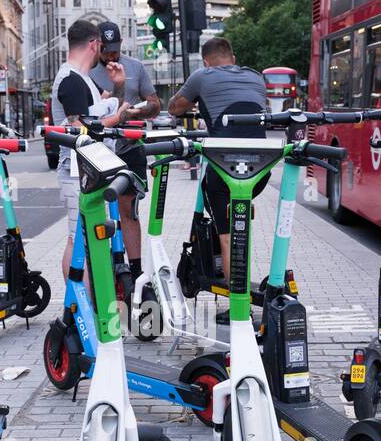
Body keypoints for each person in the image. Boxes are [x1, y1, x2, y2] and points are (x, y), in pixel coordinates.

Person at [167, 37, 268, 319]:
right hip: (260, 169)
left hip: (226, 170)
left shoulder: (202, 76)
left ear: (206, 61)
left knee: (228, 235)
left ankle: (239, 308)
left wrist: (196, 98)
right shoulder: (255, 76)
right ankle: (235, 277)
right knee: (238, 221)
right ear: (233, 58)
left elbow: (175, 107)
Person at [90, 20, 160, 282]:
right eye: (106, 50)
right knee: (96, 207)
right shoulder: (87, 72)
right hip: (99, 148)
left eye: (115, 49)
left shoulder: (135, 67)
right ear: (97, 46)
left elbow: (154, 103)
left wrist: (137, 111)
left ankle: (136, 267)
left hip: (130, 146)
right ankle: (103, 266)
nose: (111, 55)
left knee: (128, 208)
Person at [52, 18, 121, 277]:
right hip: (74, 169)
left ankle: (86, 304)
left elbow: (105, 105)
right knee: (76, 237)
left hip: (87, 167)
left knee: (85, 235)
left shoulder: (83, 79)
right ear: (93, 44)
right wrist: (117, 118)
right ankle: (75, 306)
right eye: (100, 45)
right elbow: (79, 127)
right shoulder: (70, 79)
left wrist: (118, 87)